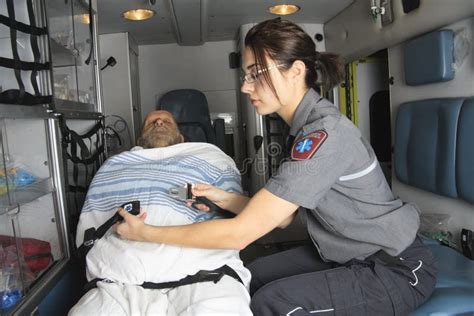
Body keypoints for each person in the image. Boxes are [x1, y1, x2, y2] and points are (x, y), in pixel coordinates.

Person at [115, 19, 437, 315]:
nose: (245, 86)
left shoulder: (324, 135)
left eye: (256, 73)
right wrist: (221, 198)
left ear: (295, 71)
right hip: (348, 253)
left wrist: (145, 233)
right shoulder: (301, 129)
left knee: (273, 301)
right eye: (246, 75)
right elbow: (283, 218)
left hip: (395, 267)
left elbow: (239, 235)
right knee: (247, 276)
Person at [69, 110, 252, 316]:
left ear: (181, 137)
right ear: (140, 139)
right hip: (121, 282)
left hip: (205, 274)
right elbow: (97, 214)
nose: (158, 122)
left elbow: (251, 217)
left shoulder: (210, 157)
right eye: (151, 123)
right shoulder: (117, 164)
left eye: (166, 121)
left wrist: (220, 204)